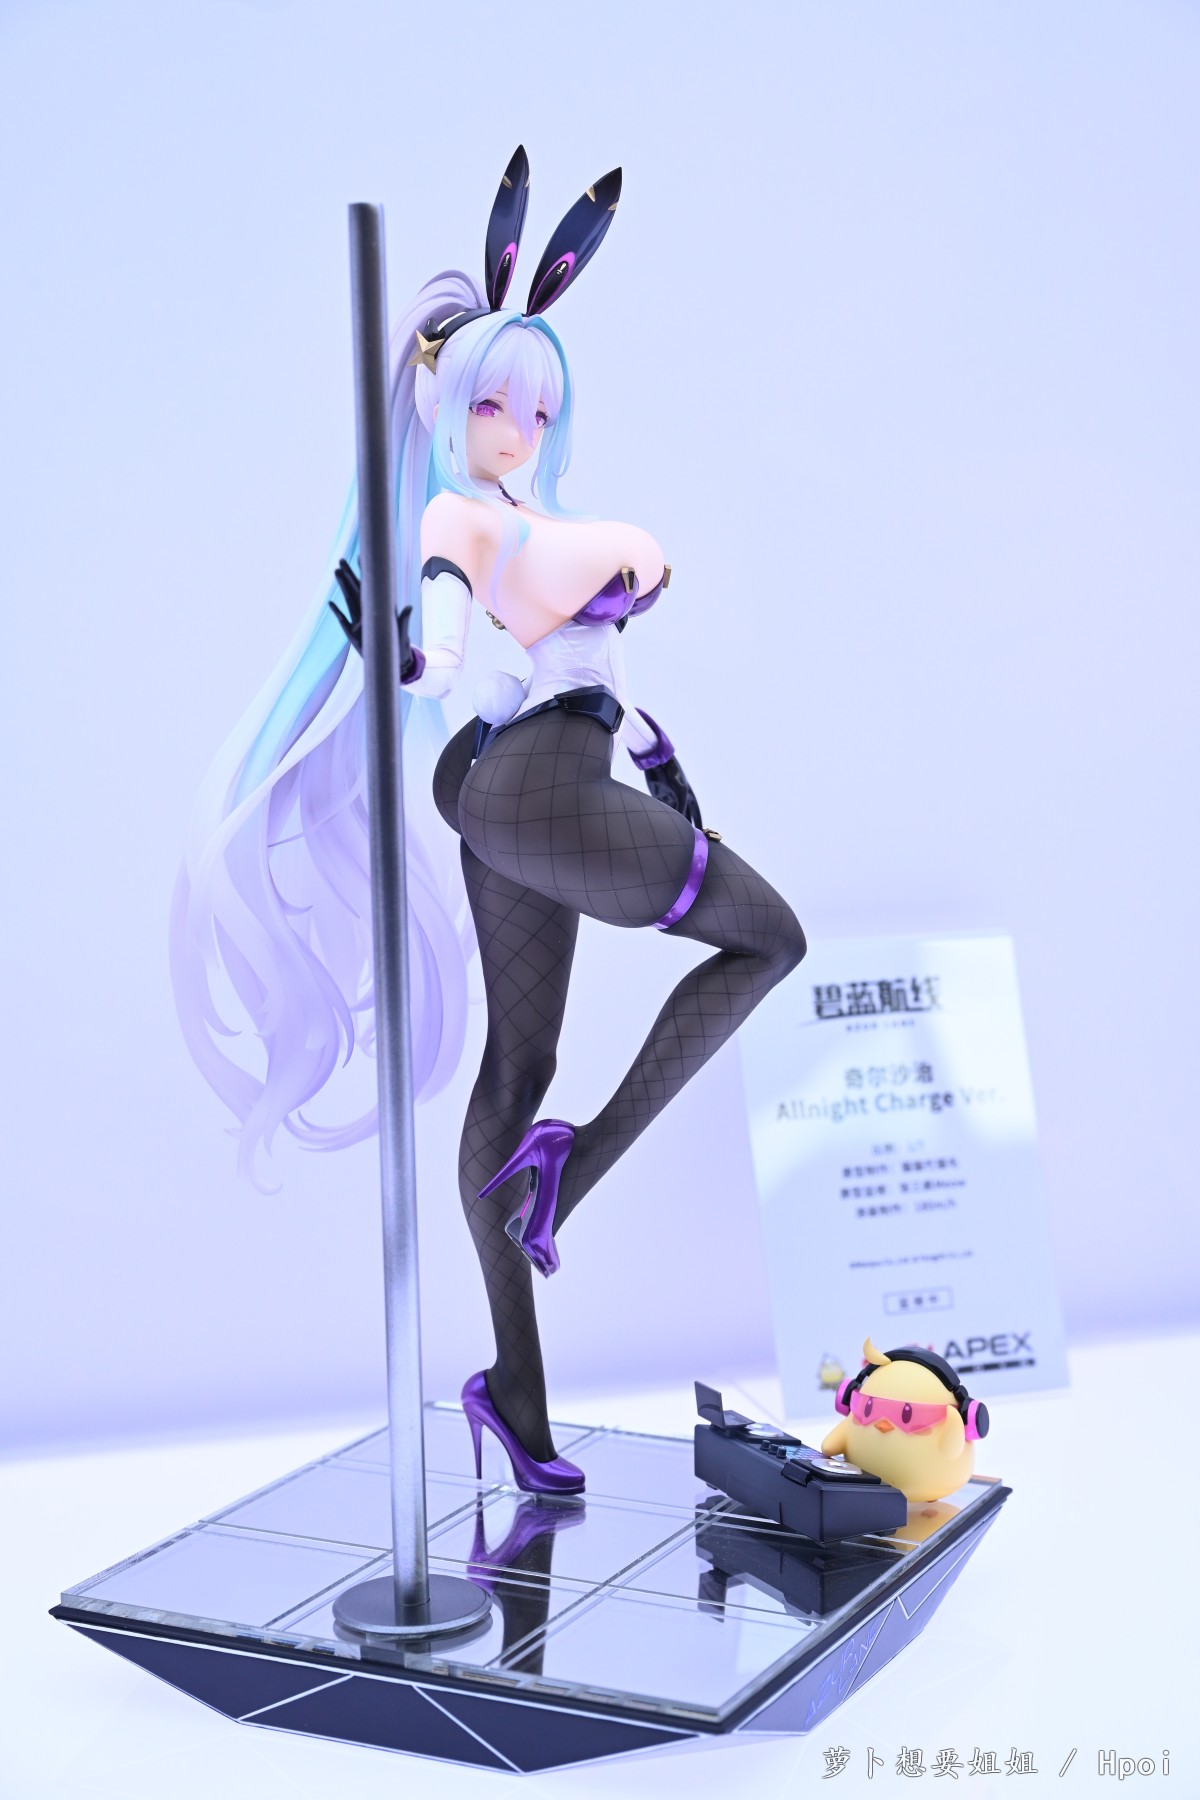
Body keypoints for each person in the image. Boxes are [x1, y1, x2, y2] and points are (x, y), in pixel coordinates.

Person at [171, 149, 805, 1496]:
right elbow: (456, 625)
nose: (516, 426)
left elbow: (577, 663)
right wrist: (424, 654)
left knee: (519, 1065)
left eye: (537, 407)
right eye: (493, 402)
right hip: (529, 783)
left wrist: (659, 755)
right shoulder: (460, 516)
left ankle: (515, 1391)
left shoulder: (525, 513)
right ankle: (572, 1172)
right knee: (770, 939)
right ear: (442, 401)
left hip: (524, 778)